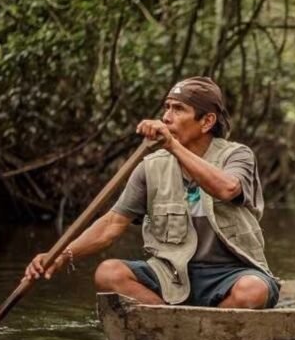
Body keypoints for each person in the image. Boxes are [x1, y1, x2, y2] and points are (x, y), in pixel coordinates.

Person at [24, 76, 279, 309]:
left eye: (178, 109)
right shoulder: (151, 166)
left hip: (231, 273)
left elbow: (227, 188)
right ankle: (173, 323)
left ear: (207, 121)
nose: (167, 117)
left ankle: (203, 325)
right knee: (108, 274)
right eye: (167, 107)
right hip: (172, 274)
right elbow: (111, 225)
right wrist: (61, 255)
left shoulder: (237, 155)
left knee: (252, 291)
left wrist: (172, 146)